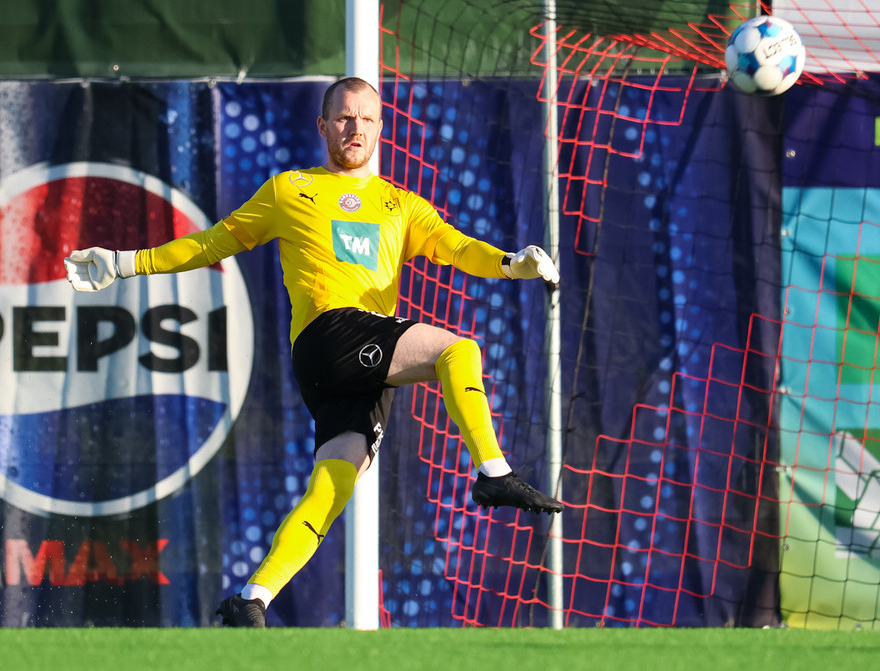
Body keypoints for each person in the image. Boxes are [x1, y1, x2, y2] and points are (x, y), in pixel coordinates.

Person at [63, 76, 563, 628]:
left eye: (366, 119)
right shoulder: (290, 190)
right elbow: (212, 243)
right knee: (458, 349)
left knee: (334, 482)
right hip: (331, 333)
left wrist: (511, 263)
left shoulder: (400, 204)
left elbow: (458, 248)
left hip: (346, 369)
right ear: (323, 125)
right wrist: (125, 263)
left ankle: (252, 598)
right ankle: (493, 471)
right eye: (344, 117)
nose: (355, 128)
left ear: (380, 128)